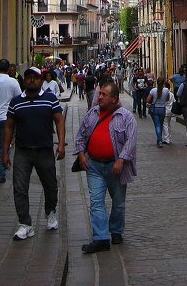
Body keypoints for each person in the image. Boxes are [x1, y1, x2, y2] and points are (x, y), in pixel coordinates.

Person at [73, 81, 137, 253]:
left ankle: (116, 230)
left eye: (103, 94)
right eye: (99, 93)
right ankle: (101, 238)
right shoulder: (92, 114)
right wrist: (80, 155)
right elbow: (80, 137)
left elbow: (131, 142)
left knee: (118, 203)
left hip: (115, 167)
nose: (99, 97)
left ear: (114, 99)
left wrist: (121, 160)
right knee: (96, 202)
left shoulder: (125, 117)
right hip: (94, 166)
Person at [2, 66, 66, 240]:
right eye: (28, 77)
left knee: (50, 185)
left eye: (35, 78)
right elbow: (9, 126)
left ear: (41, 81)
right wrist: (5, 151)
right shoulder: (16, 102)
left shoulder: (50, 99)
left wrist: (61, 144)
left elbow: (59, 121)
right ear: (24, 81)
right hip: (23, 151)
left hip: (44, 149)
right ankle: (25, 224)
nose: (31, 80)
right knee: (20, 187)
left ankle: (51, 212)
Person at [146, 76, 174, 148]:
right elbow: (167, 99)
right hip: (162, 109)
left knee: (157, 125)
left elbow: (148, 100)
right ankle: (160, 140)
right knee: (161, 125)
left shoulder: (153, 90)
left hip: (155, 109)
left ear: (157, 82)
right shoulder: (166, 90)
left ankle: (159, 140)